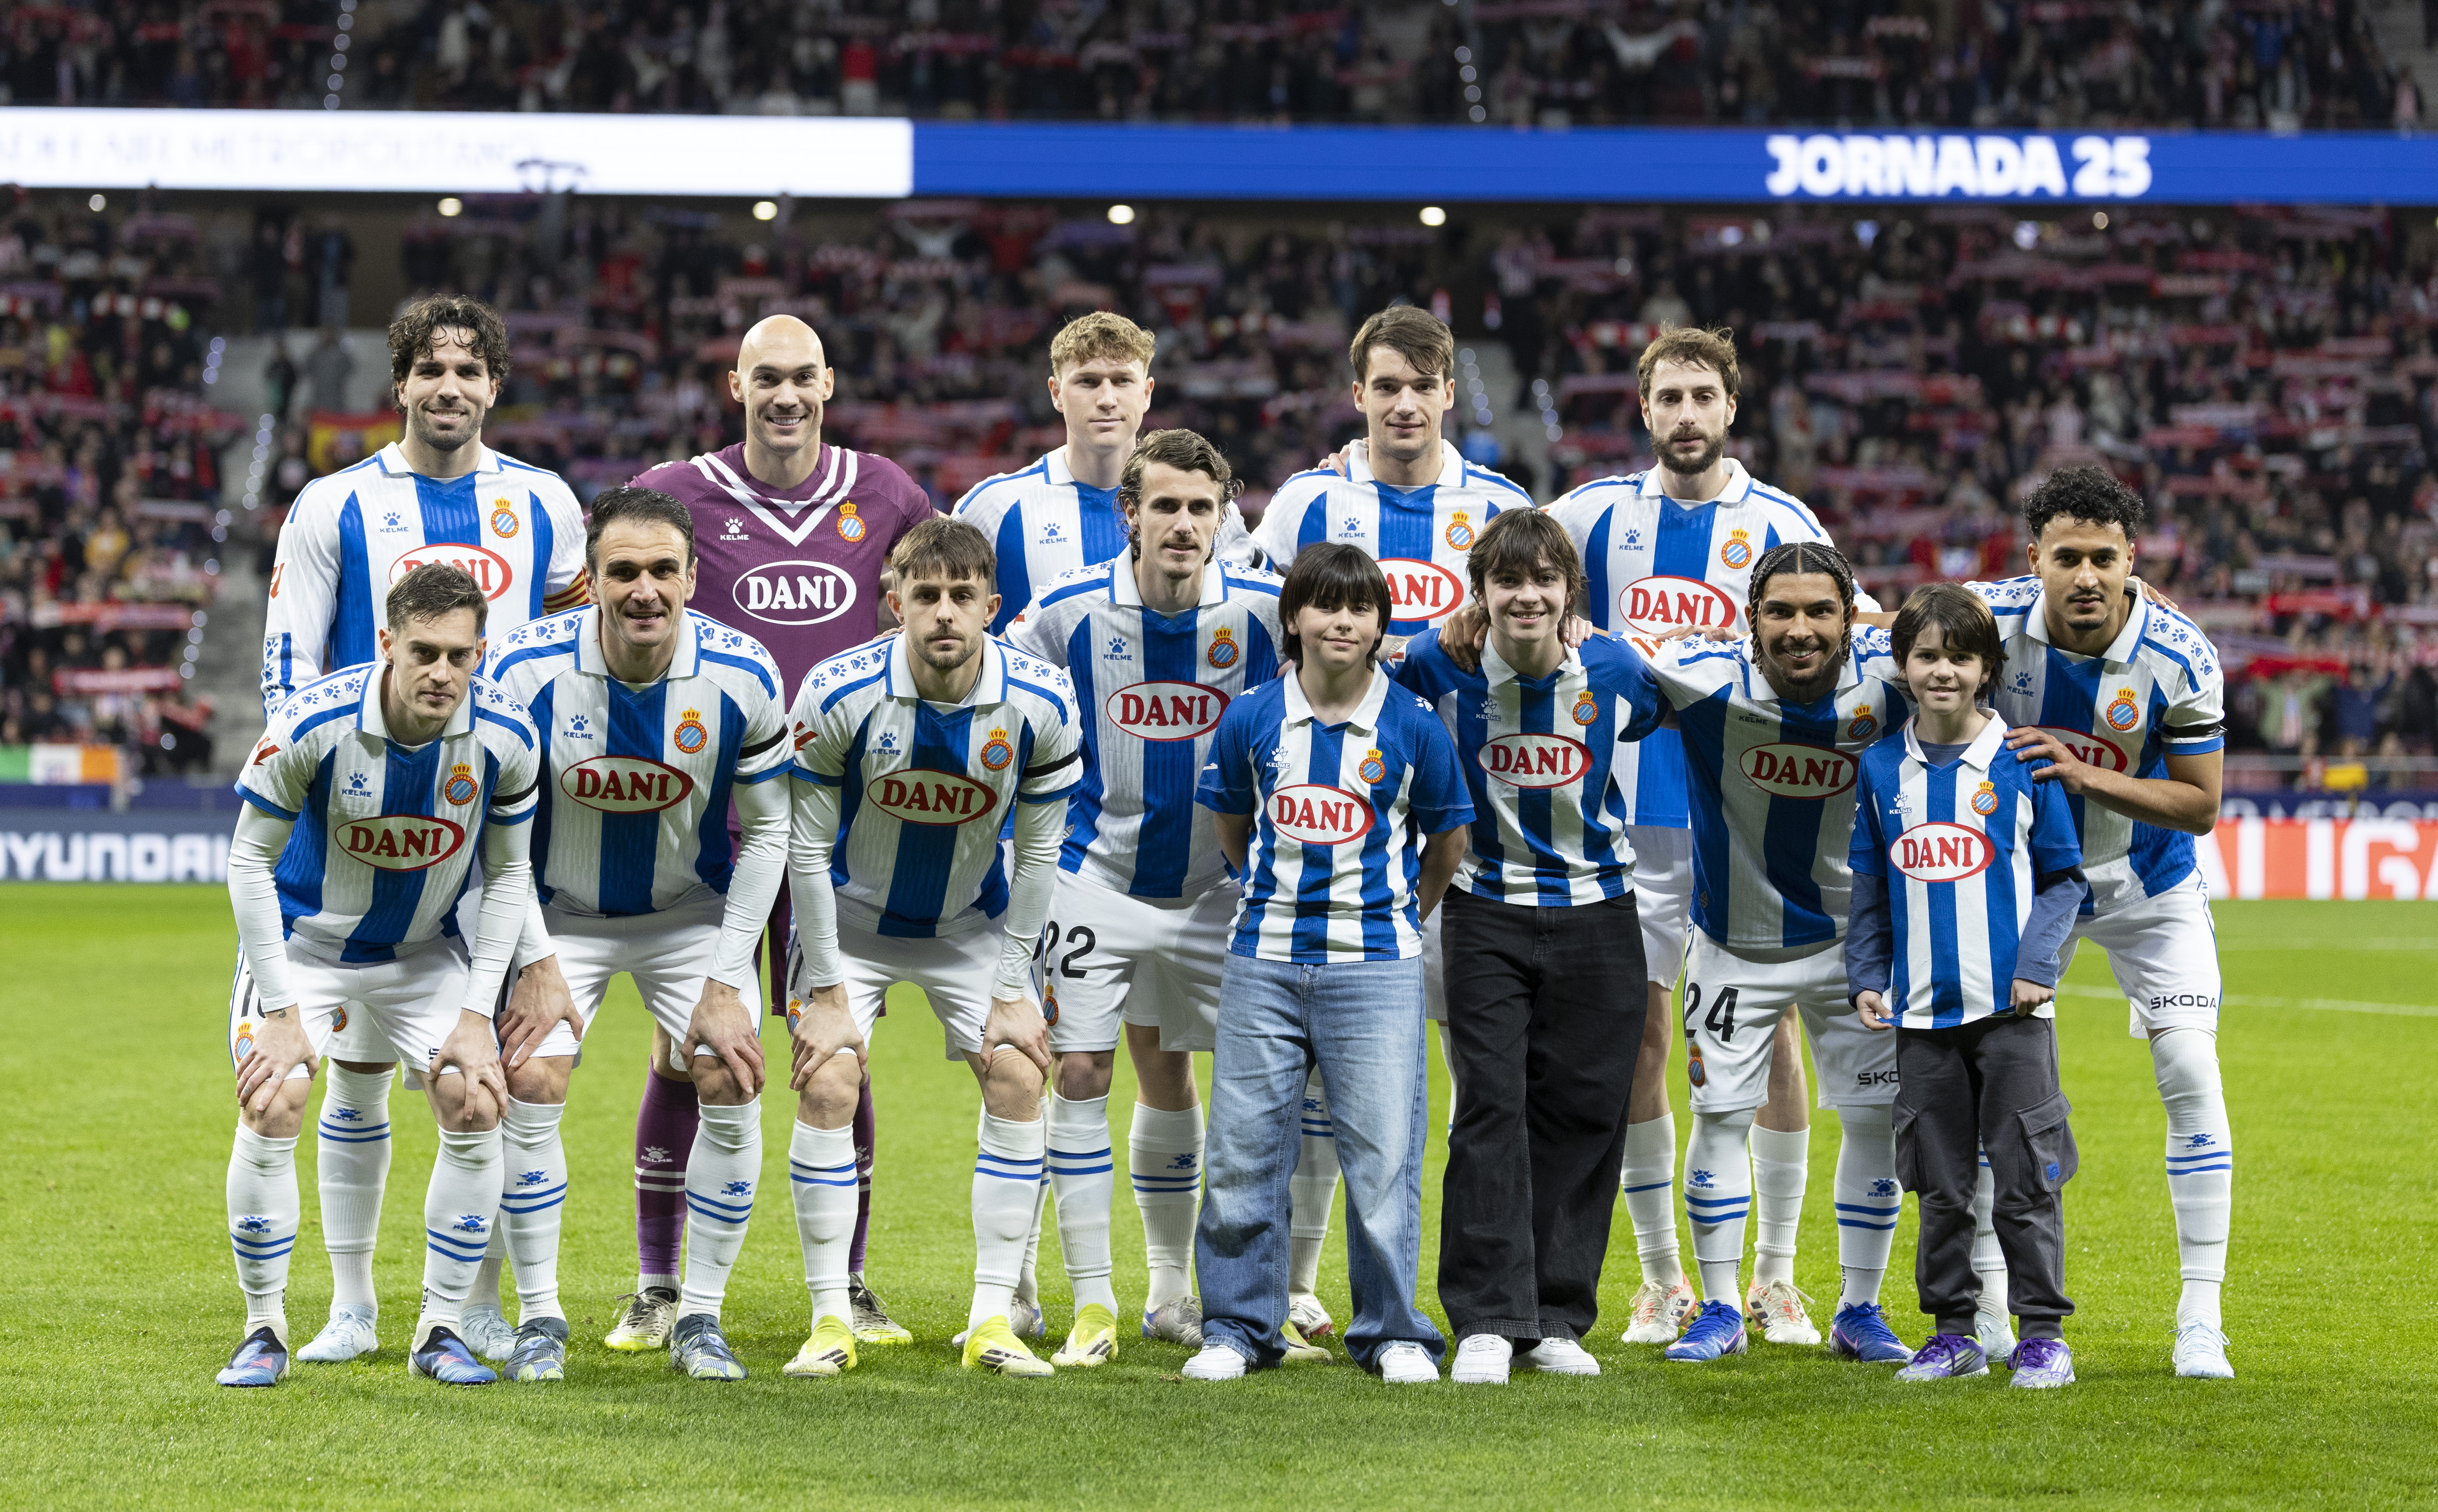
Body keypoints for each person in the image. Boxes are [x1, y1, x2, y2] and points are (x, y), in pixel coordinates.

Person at [255, 293, 589, 1368]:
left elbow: (572, 656)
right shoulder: (333, 504)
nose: (450, 386)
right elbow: (286, 663)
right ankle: (353, 1306)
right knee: (354, 1074)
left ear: (495, 384)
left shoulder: (546, 502)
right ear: (399, 382)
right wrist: (324, 786)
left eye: (469, 369)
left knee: (488, 1070)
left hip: (497, 824)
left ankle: (473, 1305)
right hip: (360, 821)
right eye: (431, 369)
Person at [1543, 325, 1878, 1348]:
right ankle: (1663, 1280)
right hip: (1622, 827)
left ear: (1731, 407)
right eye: (1668, 397)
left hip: (1747, 827)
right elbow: (1502, 564)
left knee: (1771, 1039)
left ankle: (1774, 1277)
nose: (1685, 415)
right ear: (1643, 409)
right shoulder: (1590, 515)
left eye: (1702, 396)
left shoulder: (1782, 521)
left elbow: (1856, 629)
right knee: (1642, 1042)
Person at [620, 314, 938, 1354]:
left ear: (829, 383)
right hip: (707, 827)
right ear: (737, 386)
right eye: (768, 379)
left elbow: (934, 624)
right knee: (685, 1047)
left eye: (803, 377)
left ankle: (848, 1285)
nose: (787, 395)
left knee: (836, 1044)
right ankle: (657, 1286)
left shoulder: (889, 494)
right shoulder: (674, 492)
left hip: (838, 828)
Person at [1247, 303, 1531, 1342]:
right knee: (1325, 1075)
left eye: (1421, 386)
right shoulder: (1306, 501)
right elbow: (1259, 628)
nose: (1404, 404)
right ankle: (1298, 1285)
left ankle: (1484, 1293)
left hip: (1480, 835)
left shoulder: (1500, 506)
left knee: (1481, 1076)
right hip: (1333, 838)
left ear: (1450, 394)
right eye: (1385, 386)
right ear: (1356, 394)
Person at [479, 487, 792, 1382]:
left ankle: (701, 1317)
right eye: (623, 571)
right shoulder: (524, 670)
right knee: (529, 1075)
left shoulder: (744, 672)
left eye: (662, 570)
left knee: (730, 1069)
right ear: (591, 580)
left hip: (687, 914)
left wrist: (728, 981)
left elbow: (770, 828)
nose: (644, 590)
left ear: (692, 577)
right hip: (556, 914)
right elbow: (495, 836)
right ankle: (540, 1317)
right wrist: (536, 961)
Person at [215, 564, 538, 1389]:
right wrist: (280, 1010)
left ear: (480, 653)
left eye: (459, 655)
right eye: (424, 651)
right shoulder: (312, 721)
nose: (442, 672)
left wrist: (477, 1013)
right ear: (388, 642)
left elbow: (509, 874)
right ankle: (262, 1327)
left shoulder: (507, 734)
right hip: (304, 946)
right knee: (273, 1096)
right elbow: (247, 861)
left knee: (476, 1097)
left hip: (421, 951)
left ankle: (440, 1326)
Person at [1007, 429, 1286, 1361]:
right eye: (1164, 505)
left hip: (1217, 891)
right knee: (1075, 1070)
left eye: (1201, 507)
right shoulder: (1065, 612)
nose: (1182, 523)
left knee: (1194, 1073)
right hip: (1094, 879)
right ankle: (1063, 1292)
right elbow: (995, 691)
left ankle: (1174, 1294)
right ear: (1129, 513)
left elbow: (1360, 642)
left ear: (1223, 516)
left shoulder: (1263, 610)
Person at [782, 517, 1082, 1378]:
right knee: (829, 1078)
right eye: (925, 595)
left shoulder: (1042, 701)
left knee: (1019, 1073)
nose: (943, 612)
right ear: (895, 603)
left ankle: (993, 1320)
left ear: (992, 606)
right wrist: (827, 992)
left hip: (971, 926)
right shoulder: (838, 691)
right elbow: (805, 851)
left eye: (961, 596)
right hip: (850, 925)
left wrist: (1014, 985)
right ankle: (829, 1318)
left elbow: (1040, 854)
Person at [1959, 468, 2234, 1380]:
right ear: (2032, 558)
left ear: (2131, 561)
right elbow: (1887, 628)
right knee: (1996, 1087)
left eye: (2103, 558)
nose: (2085, 576)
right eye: (2066, 556)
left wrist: (2085, 776)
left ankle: (2200, 1318)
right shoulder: (1985, 618)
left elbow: (2199, 805)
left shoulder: (2180, 655)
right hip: (2027, 887)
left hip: (2148, 886)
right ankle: (1988, 1303)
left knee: (2188, 1067)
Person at [1182, 545, 1472, 1386]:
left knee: (1382, 1160)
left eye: (1359, 608)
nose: (1342, 621)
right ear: (1293, 618)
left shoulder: (1413, 723)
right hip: (1262, 962)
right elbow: (1231, 826)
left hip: (1376, 968)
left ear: (1381, 625)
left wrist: (1401, 918)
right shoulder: (1250, 716)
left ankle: (1393, 1332)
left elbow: (1447, 841)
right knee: (1241, 1156)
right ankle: (1236, 1328)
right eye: (1325, 605)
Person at [1391, 509, 1665, 1384]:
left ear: (1569, 592)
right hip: (1483, 911)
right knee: (1488, 1107)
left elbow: (1659, 708)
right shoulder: (1439, 662)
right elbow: (1368, 671)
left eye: (1543, 579)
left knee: (1584, 1113)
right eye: (1506, 580)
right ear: (1479, 591)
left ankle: (1554, 1317)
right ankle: (1485, 1316)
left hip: (1600, 908)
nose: (1526, 596)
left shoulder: (1614, 668)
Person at [1634, 541, 1912, 1365]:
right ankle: (1720, 1306)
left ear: (1849, 617)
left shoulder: (1889, 675)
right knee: (1718, 1116)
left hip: (1855, 948)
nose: (1799, 629)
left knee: (1872, 1121)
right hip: (1734, 944)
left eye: (1819, 610)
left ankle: (1858, 1308)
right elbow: (1601, 658)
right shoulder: (1698, 673)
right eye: (1779, 611)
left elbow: (1977, 628)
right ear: (1748, 618)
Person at [1847, 583, 2085, 1389]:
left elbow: (2063, 879)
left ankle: (2043, 1335)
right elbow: (1870, 885)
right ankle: (1951, 1333)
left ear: (1987, 668)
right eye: (1926, 656)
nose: (1942, 671)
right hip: (1920, 1014)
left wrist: (2037, 966)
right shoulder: (1881, 767)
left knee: (2025, 1179)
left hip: (2011, 1012)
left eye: (1959, 656)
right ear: (1903, 666)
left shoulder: (2020, 760)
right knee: (1939, 1185)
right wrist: (1865, 975)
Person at [954, 311, 1258, 635]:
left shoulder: (1205, 510)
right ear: (1056, 393)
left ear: (1147, 393)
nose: (1107, 400)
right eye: (1088, 381)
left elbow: (1254, 620)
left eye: (1123, 381)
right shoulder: (993, 507)